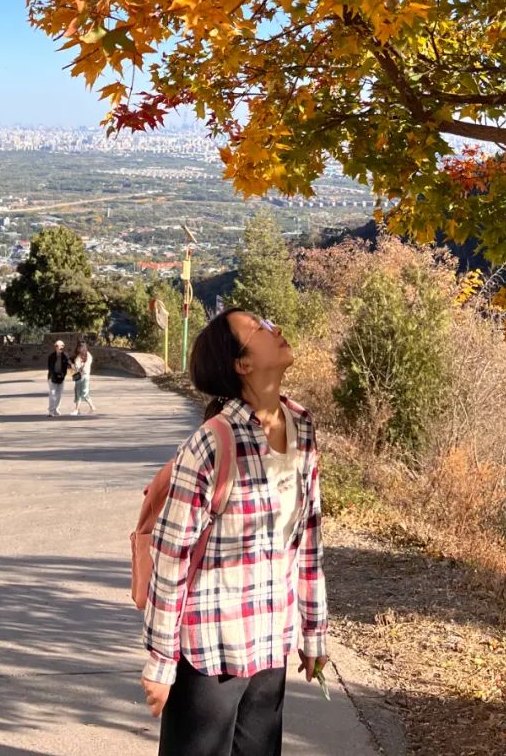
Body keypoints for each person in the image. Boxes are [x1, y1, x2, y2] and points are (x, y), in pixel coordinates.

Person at [141, 308, 329, 756]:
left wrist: (313, 630)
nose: (274, 328)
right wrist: (162, 661)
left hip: (270, 642)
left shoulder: (301, 425)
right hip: (209, 648)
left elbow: (307, 539)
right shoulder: (213, 441)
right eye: (258, 328)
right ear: (241, 365)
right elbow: (171, 557)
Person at [71, 340, 95, 416]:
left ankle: (76, 410)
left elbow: (77, 368)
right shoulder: (87, 355)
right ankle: (91, 407)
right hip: (84, 376)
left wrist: (72, 364)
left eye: (80, 347)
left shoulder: (82, 357)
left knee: (80, 393)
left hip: (82, 377)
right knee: (83, 393)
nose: (79, 349)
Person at [46, 339, 69, 417]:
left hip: (61, 377)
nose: (60, 348)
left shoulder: (65, 356)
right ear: (55, 347)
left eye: (62, 346)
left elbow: (68, 364)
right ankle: (51, 411)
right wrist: (53, 376)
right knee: (52, 394)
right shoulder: (51, 356)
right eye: (58, 346)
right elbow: (50, 367)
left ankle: (56, 409)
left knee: (59, 394)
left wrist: (63, 375)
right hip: (52, 377)